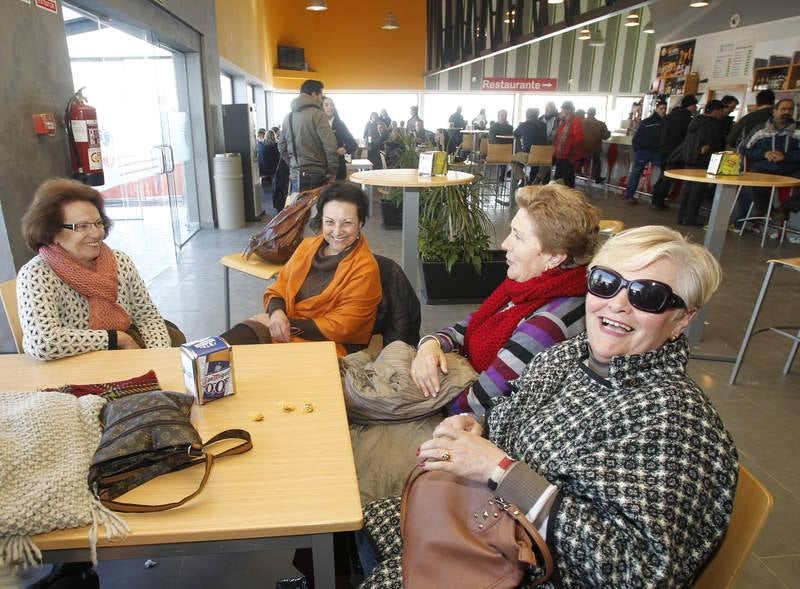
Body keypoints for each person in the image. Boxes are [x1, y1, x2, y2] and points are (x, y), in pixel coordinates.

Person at [359, 225, 737, 588]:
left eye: (647, 295)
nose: (618, 305)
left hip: (536, 572)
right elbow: (509, 412)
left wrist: (500, 470)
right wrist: (477, 430)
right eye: (606, 283)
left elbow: (634, 572)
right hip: (491, 528)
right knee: (366, 526)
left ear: (682, 319)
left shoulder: (675, 423)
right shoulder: (569, 355)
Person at [412, 184, 599, 417]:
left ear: (554, 257)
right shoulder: (527, 287)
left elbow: (479, 404)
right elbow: (466, 327)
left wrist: (422, 399)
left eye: (518, 237)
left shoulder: (548, 323)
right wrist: (430, 345)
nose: (504, 244)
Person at [17, 178, 180, 362]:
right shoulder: (36, 274)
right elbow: (42, 342)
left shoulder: (120, 261)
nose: (96, 233)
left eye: (98, 223)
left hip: (125, 361)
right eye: (82, 226)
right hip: (72, 370)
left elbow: (147, 317)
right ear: (53, 232)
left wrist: (157, 358)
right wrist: (117, 338)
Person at [221, 182, 382, 358]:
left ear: (360, 223)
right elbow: (278, 289)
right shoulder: (307, 247)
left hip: (327, 344)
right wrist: (276, 313)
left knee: (254, 369)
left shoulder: (365, 269)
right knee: (217, 353)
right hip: (284, 327)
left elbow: (344, 326)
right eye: (329, 222)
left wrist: (284, 323)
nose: (337, 231)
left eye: (347, 223)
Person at [735, 98, 800, 234]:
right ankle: (770, 212)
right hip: (764, 168)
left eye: (790, 109)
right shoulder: (760, 129)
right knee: (749, 183)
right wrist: (764, 153)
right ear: (775, 111)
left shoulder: (797, 131)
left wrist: (785, 156)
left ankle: (783, 209)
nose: (787, 112)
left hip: (790, 169)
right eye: (783, 109)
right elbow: (743, 149)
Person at [278, 79, 338, 193]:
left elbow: (281, 147)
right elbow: (330, 145)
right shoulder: (318, 115)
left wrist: (293, 164)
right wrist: (332, 171)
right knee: (316, 209)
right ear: (314, 94)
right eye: (321, 96)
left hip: (296, 174)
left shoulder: (288, 117)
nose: (321, 100)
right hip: (316, 174)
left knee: (300, 209)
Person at [676, 100, 726, 226]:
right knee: (697, 192)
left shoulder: (695, 121)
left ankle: (681, 217)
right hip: (703, 161)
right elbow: (716, 144)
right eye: (721, 111)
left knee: (687, 189)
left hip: (689, 159)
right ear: (715, 111)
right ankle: (690, 218)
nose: (722, 114)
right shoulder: (712, 124)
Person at [651, 94, 697, 210]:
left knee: (663, 175)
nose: (696, 108)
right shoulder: (688, 120)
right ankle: (659, 201)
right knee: (668, 178)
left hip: (662, 150)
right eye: (695, 105)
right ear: (691, 106)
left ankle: (656, 199)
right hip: (676, 152)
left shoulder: (668, 117)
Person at [625, 100, 667, 204]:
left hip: (647, 151)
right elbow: (637, 137)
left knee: (636, 173)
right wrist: (638, 149)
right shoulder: (661, 122)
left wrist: (637, 149)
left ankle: (630, 195)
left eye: (665, 108)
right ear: (656, 109)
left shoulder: (650, 121)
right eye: (661, 108)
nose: (663, 110)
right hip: (648, 151)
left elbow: (636, 137)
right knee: (665, 170)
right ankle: (632, 195)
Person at [322, 96, 357, 181]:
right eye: (326, 105)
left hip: (338, 168)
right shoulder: (317, 124)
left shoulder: (340, 124)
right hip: (322, 169)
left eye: (332, 105)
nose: (330, 107)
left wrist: (345, 148)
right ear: (321, 107)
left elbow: (353, 144)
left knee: (339, 194)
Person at [511, 108, 548, 185]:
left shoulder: (524, 125)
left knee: (510, 159)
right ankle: (538, 178)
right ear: (537, 115)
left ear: (526, 115)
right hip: (542, 155)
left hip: (528, 155)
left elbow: (515, 134)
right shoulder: (543, 125)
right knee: (544, 163)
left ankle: (523, 178)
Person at [552, 101, 584, 187]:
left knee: (567, 180)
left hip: (569, 156)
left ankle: (568, 198)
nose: (561, 111)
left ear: (568, 110)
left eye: (563, 109)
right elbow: (558, 137)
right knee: (558, 179)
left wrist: (569, 148)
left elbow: (579, 138)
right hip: (561, 155)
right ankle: (559, 198)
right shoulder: (563, 121)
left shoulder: (575, 121)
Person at [582, 107, 611, 183]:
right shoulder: (600, 124)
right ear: (595, 113)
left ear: (587, 113)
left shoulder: (581, 122)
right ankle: (596, 177)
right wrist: (609, 132)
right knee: (596, 160)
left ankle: (580, 173)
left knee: (583, 159)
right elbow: (605, 136)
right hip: (594, 149)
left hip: (582, 148)